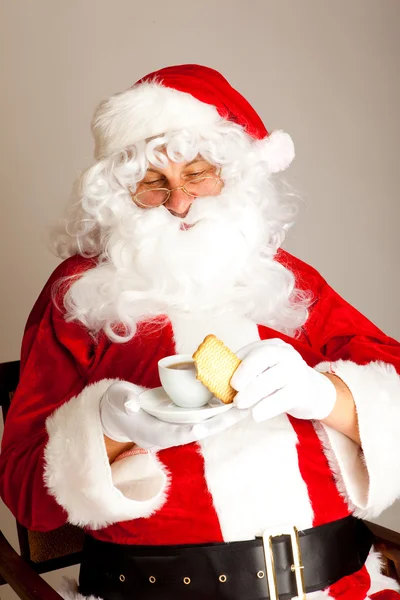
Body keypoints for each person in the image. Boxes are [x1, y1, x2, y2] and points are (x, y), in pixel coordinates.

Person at [1, 64, 400, 600]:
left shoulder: (283, 276)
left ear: (233, 176)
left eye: (196, 175)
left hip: (337, 585)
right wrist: (112, 428)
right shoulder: (77, 293)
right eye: (153, 184)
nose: (180, 204)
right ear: (120, 193)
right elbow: (27, 492)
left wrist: (323, 394)